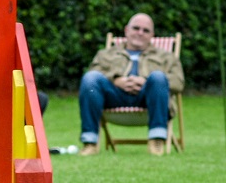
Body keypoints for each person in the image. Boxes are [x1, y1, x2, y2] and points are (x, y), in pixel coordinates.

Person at [77, 13, 184, 157]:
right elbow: (93, 74)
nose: (140, 33)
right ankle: (90, 143)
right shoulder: (106, 54)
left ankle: (157, 140)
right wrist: (115, 80)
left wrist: (147, 81)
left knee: (158, 77)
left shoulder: (166, 56)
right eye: (136, 28)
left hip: (148, 98)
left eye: (145, 30)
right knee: (90, 78)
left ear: (152, 34)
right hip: (114, 97)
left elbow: (178, 82)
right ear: (126, 30)